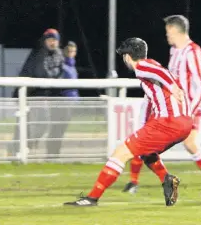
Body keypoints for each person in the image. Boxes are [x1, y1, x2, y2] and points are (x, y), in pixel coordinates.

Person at [64, 38, 190, 207]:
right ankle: (167, 179)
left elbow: (162, 75)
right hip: (184, 123)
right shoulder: (152, 71)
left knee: (120, 153)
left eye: (124, 56)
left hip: (169, 122)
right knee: (146, 153)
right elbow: (151, 101)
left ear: (128, 56)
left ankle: (92, 198)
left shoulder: (143, 67)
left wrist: (173, 87)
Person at [124, 15, 201, 194]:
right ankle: (133, 181)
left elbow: (200, 83)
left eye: (168, 32)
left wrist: (189, 110)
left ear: (176, 31)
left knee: (189, 144)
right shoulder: (174, 51)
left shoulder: (193, 52)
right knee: (144, 139)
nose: (166, 36)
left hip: (187, 109)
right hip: (167, 107)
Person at [9, 28, 64, 156]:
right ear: (45, 41)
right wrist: (55, 74)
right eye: (50, 40)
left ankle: (21, 148)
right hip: (28, 94)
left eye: (55, 40)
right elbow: (42, 73)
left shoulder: (58, 54)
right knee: (29, 124)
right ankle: (19, 149)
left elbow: (61, 73)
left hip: (41, 94)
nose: (52, 43)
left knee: (36, 124)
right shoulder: (39, 53)